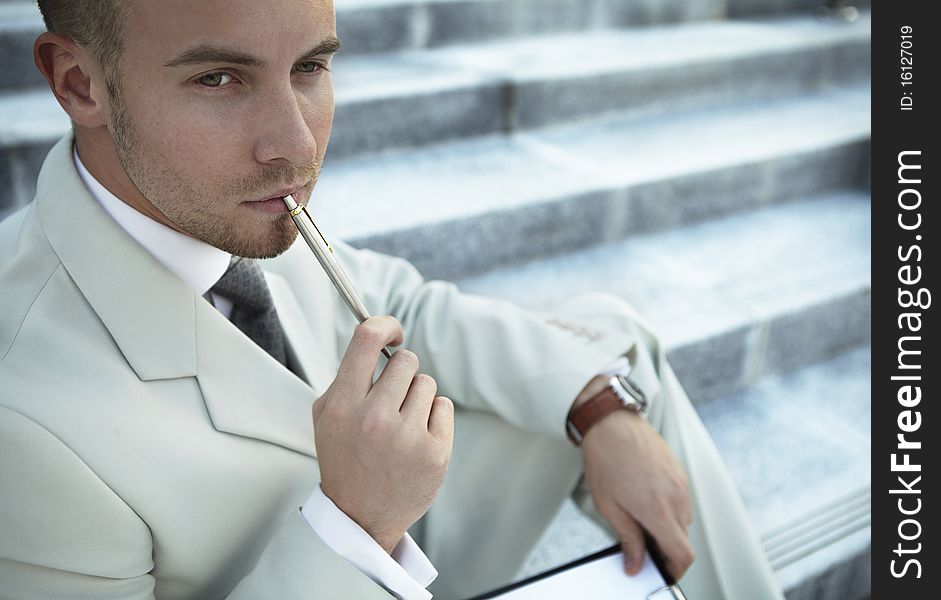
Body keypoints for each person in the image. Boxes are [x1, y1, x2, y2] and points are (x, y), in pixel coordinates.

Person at [0, 1, 784, 598]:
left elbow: (401, 301)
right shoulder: (22, 422)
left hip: (408, 536)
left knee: (612, 350)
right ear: (78, 82)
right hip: (346, 556)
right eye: (219, 78)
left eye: (310, 67)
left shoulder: (215, 193)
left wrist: (598, 405)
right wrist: (354, 524)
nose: (298, 146)